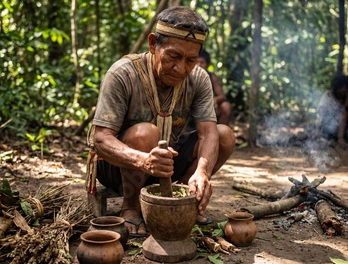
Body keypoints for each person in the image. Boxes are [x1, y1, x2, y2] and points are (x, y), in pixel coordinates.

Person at [87, 6, 236, 237]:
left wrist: (203, 172)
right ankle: (131, 206)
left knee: (224, 134)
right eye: (174, 56)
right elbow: (101, 139)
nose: (181, 68)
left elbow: (208, 133)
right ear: (152, 44)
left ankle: (186, 198)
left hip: (166, 168)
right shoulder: (123, 73)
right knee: (145, 133)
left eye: (191, 60)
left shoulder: (198, 78)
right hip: (118, 168)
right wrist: (144, 161)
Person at [316, 74, 348, 150]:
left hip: (344, 125)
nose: (343, 90)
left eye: (345, 87)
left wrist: (340, 138)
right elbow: (321, 113)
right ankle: (331, 137)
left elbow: (344, 117)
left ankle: (340, 138)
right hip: (328, 124)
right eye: (341, 87)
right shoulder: (327, 96)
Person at [197, 49, 232, 125]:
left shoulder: (211, 76)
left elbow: (222, 96)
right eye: (196, 62)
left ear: (208, 65)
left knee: (226, 106)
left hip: (208, 111)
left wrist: (214, 100)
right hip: (191, 112)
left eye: (202, 62)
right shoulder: (188, 75)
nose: (199, 65)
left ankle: (220, 132)